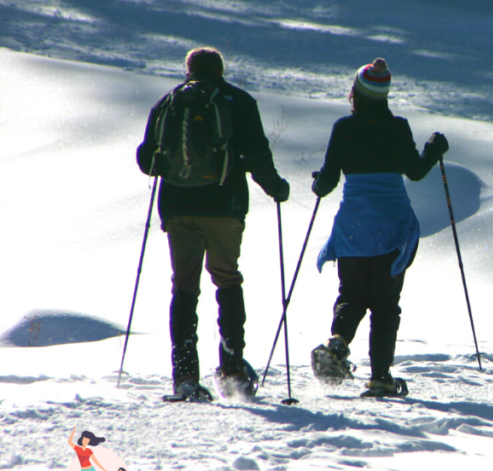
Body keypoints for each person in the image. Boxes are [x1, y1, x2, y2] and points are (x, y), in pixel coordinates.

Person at [136, 47, 290, 400]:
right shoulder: (239, 101)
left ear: (188, 69)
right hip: (225, 206)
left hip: (178, 209)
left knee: (185, 287)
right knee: (227, 278)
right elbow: (257, 156)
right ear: (220, 70)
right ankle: (233, 368)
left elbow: (148, 159)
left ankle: (185, 376)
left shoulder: (168, 103)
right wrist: (277, 188)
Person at [310, 57, 448, 397]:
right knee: (385, 305)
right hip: (392, 230)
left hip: (353, 231)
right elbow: (415, 171)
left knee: (352, 295)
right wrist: (434, 149)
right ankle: (381, 378)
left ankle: (337, 344)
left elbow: (326, 184)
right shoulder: (397, 127)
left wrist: (317, 184)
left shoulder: (344, 128)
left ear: (356, 93)